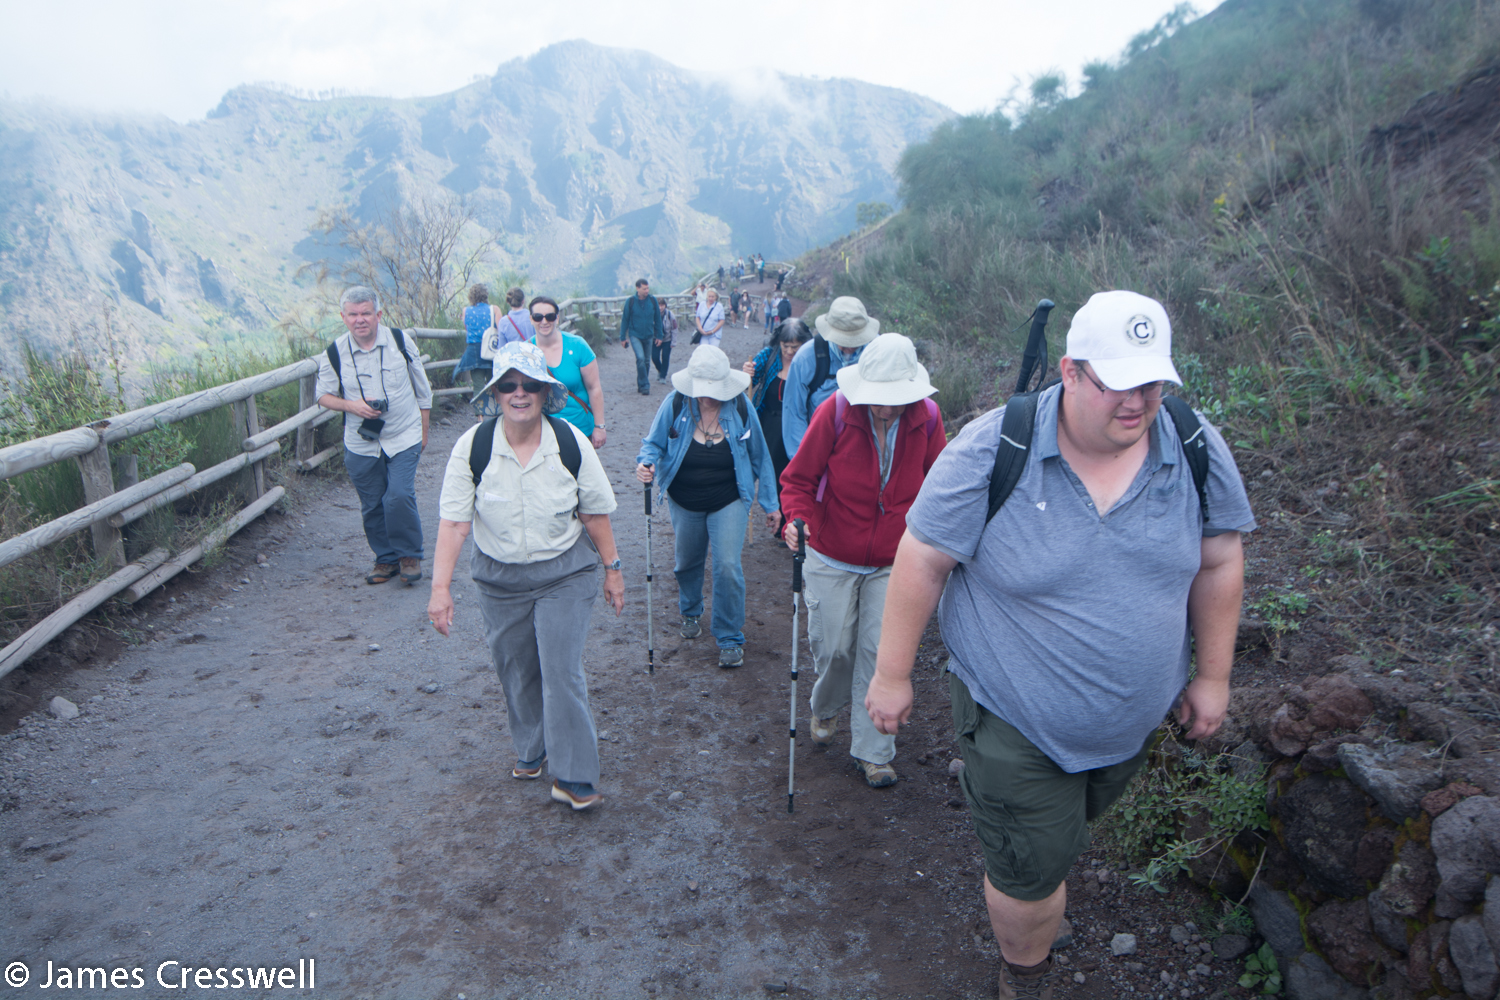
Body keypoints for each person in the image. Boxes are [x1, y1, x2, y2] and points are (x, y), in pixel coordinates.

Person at [865, 291, 1256, 998]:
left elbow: (1220, 557)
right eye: (1118, 384)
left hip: (1132, 723)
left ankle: (1042, 882)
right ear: (1071, 372)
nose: (1138, 403)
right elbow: (921, 556)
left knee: (1061, 837)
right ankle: (1027, 973)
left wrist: (1215, 677)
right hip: (1015, 715)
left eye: (1152, 383)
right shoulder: (995, 448)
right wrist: (893, 675)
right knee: (1029, 864)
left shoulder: (1193, 446)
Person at [428, 341, 623, 811]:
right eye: (510, 385)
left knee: (561, 670)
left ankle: (574, 776)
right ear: (496, 393)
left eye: (530, 385)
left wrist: (613, 570)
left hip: (565, 573)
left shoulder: (570, 443)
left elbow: (595, 514)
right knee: (516, 669)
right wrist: (440, 588)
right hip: (499, 579)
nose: (520, 394)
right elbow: (455, 524)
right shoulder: (472, 448)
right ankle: (532, 748)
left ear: (544, 392)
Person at [780, 335, 946, 788]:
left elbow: (939, 488)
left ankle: (874, 753)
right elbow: (798, 480)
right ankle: (826, 707)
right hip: (831, 551)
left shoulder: (928, 419)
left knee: (879, 654)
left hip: (896, 559)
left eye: (895, 400)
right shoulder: (833, 412)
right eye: (879, 399)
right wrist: (795, 520)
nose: (886, 408)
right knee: (836, 649)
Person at [635, 346, 779, 668]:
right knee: (687, 560)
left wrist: (771, 504)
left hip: (729, 497)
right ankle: (690, 610)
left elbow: (760, 457)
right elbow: (653, 444)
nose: (708, 397)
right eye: (702, 391)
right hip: (684, 498)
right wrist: (646, 463)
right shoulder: (675, 404)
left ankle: (729, 636)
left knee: (727, 565)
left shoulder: (740, 407)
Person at [315, 285, 433, 586]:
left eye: (366, 313)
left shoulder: (399, 340)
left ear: (378, 314)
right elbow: (323, 396)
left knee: (400, 495)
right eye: (353, 314)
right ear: (343, 317)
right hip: (360, 441)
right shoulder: (334, 352)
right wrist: (350, 406)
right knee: (371, 502)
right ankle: (385, 559)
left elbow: (422, 387)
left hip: (403, 433)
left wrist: (424, 427)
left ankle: (409, 555)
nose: (360, 319)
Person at [781, 296, 879, 459]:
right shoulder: (806, 358)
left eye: (855, 339)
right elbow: (794, 415)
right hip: (822, 451)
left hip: (867, 453)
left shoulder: (878, 351)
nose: (849, 346)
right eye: (843, 340)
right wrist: (804, 462)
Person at [741, 318, 812, 511]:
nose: (789, 352)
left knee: (794, 470)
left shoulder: (810, 360)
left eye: (795, 347)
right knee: (772, 470)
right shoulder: (769, 356)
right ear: (778, 342)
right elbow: (748, 382)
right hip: (770, 424)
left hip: (799, 423)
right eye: (785, 346)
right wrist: (747, 372)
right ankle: (777, 513)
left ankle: (791, 515)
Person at [529, 296, 607, 449]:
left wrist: (600, 426)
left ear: (557, 318)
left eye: (549, 316)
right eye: (538, 317)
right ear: (531, 319)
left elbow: (594, 387)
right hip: (542, 432)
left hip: (579, 429)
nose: (544, 322)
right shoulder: (526, 352)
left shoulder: (578, 346)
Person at [453, 284, 502, 418]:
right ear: (486, 295)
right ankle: (496, 413)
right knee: (494, 382)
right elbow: (501, 329)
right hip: (491, 350)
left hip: (474, 351)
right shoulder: (494, 310)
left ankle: (479, 417)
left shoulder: (466, 311)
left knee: (478, 385)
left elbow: (467, 329)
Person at [618, 278, 664, 396]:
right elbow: (625, 320)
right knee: (641, 358)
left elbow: (658, 319)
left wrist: (659, 335)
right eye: (644, 288)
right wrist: (623, 337)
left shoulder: (653, 301)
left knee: (647, 362)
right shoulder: (631, 302)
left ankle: (641, 383)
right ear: (637, 288)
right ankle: (645, 385)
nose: (646, 291)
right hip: (635, 335)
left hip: (649, 335)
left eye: (647, 288)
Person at [654, 297, 679, 383]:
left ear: (665, 305)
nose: (660, 307)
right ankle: (660, 370)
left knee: (665, 357)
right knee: (654, 357)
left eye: (662, 305)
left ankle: (663, 376)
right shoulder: (652, 314)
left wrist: (673, 341)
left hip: (667, 339)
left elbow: (674, 328)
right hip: (656, 339)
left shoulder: (670, 315)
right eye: (658, 305)